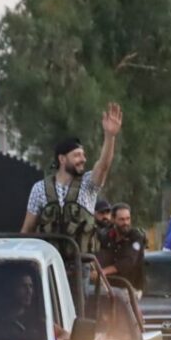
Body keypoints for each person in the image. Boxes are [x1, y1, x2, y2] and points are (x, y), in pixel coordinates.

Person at [21, 103, 123, 242]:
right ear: (62, 159)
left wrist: (110, 136)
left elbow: (103, 165)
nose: (83, 159)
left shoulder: (88, 184)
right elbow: (27, 230)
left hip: (81, 261)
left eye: (83, 155)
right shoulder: (39, 189)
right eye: (77, 155)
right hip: (51, 260)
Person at [98, 203, 146, 293]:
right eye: (121, 219)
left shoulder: (136, 237)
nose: (126, 223)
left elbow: (129, 261)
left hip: (131, 288)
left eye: (128, 219)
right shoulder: (106, 236)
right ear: (113, 219)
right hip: (110, 288)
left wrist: (104, 271)